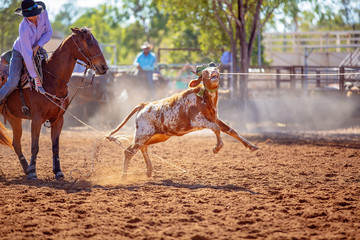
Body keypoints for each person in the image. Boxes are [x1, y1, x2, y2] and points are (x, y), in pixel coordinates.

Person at [0, 0, 53, 104]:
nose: (35, 16)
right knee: (13, 80)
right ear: (26, 15)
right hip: (20, 51)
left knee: (48, 66)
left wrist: (38, 45)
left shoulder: (43, 13)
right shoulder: (23, 27)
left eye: (36, 13)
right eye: (32, 15)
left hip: (37, 46)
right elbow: (27, 55)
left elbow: (49, 32)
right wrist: (36, 79)